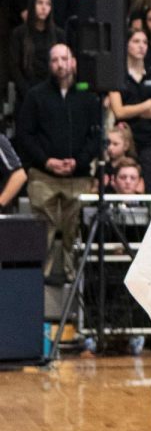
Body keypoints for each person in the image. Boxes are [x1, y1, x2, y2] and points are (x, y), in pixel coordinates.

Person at [17, 43, 101, 279]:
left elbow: (96, 136)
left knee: (74, 229)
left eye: (64, 58)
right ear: (49, 64)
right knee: (43, 229)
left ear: (73, 61)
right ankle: (38, 280)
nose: (60, 64)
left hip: (79, 174)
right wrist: (46, 161)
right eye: (54, 60)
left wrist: (80, 160)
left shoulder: (88, 95)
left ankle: (73, 276)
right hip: (44, 176)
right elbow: (25, 135)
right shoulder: (36, 95)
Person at [107, 28, 151, 196]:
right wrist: (146, 104)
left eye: (144, 42)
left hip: (149, 139)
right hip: (123, 139)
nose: (141, 46)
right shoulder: (117, 74)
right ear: (126, 45)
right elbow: (118, 111)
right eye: (136, 41)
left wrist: (130, 110)